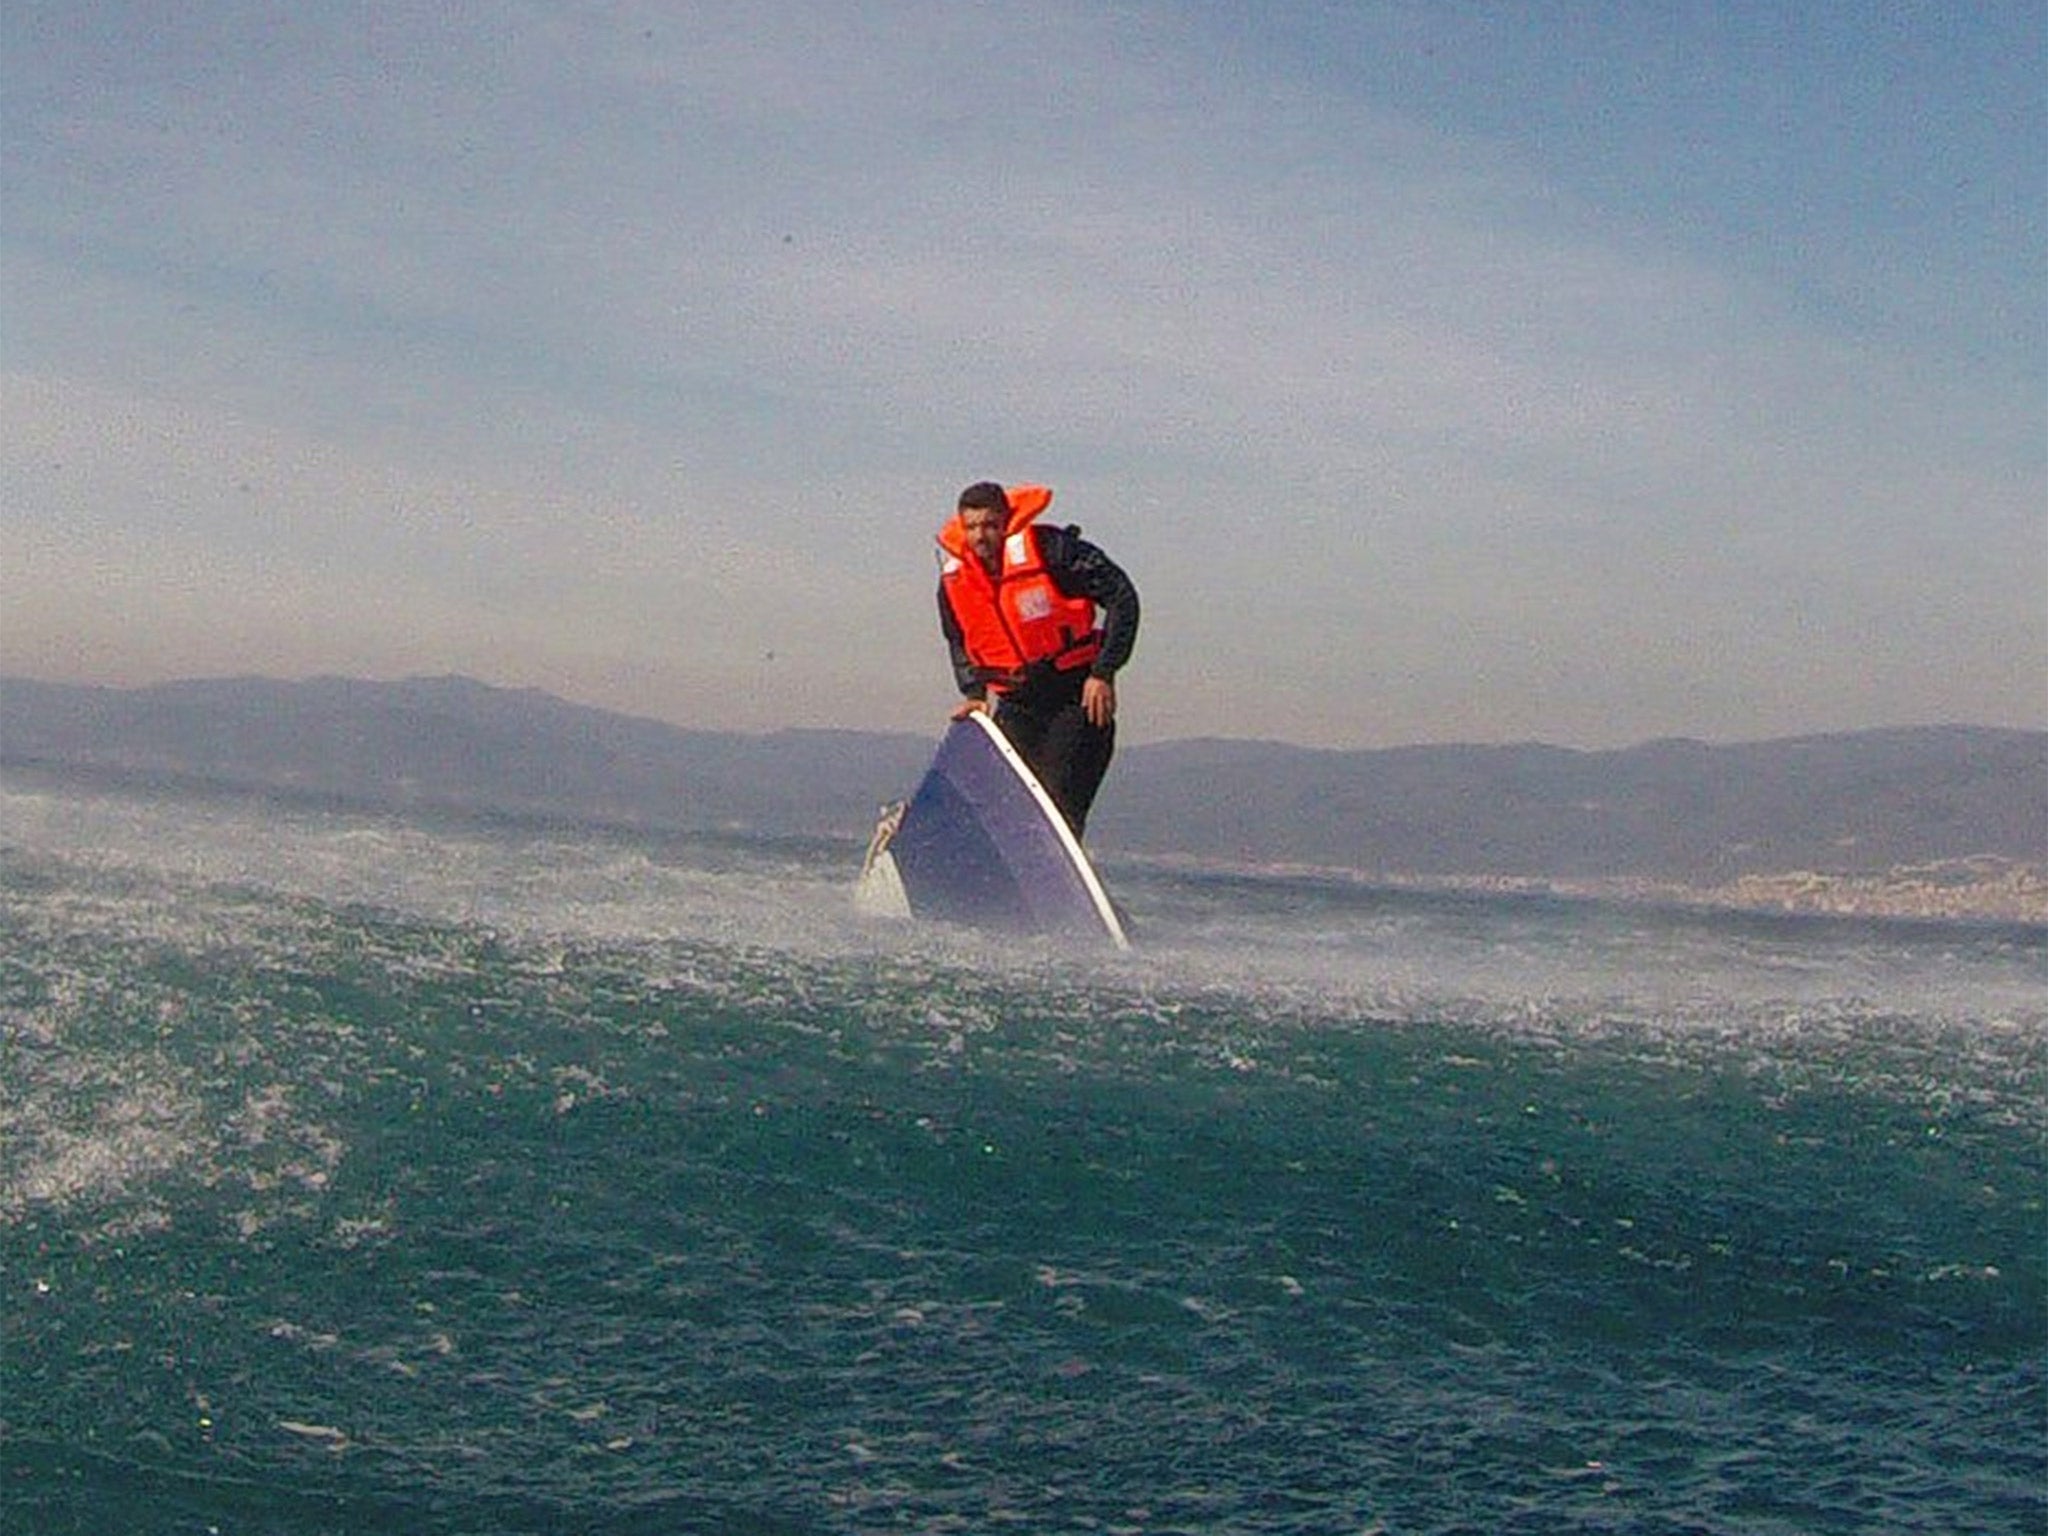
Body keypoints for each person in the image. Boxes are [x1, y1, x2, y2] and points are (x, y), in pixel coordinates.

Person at [936, 480, 1139, 838]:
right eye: (971, 527)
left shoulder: (1054, 551)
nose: (981, 536)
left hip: (1075, 699)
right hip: (1018, 704)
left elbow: (1122, 597)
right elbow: (958, 639)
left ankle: (1059, 875)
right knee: (1000, 802)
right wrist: (974, 694)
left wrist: (1104, 671)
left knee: (1055, 797)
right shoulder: (955, 581)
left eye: (989, 525)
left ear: (1005, 521)